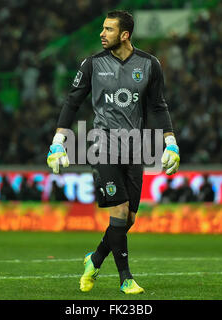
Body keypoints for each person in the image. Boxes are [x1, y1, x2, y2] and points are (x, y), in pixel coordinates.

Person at [46, 10, 180, 294]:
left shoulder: (149, 65)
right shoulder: (92, 64)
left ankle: (94, 259)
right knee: (118, 211)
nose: (101, 33)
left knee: (128, 219)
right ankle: (126, 279)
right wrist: (58, 142)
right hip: (102, 143)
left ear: (125, 34)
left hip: (136, 145)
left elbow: (158, 106)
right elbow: (72, 102)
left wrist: (170, 142)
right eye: (102, 28)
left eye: (108, 29)